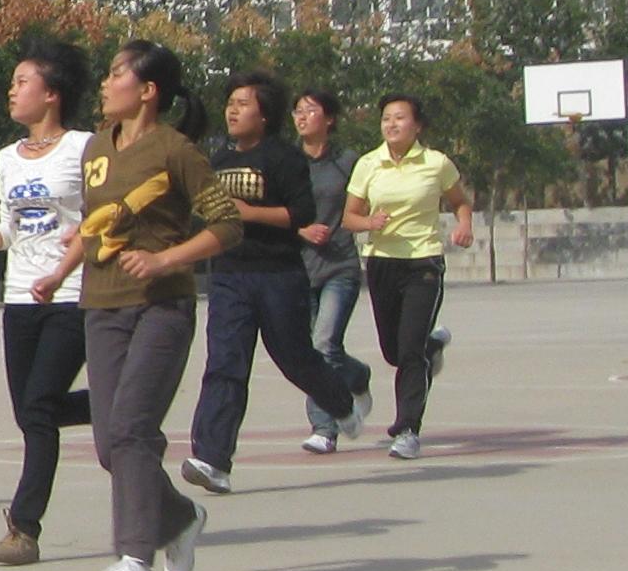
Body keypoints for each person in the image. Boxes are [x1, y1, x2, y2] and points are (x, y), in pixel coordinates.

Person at [30, 41, 242, 571]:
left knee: (131, 430)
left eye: (116, 73)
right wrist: (59, 273)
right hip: (101, 307)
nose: (105, 83)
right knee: (110, 445)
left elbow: (227, 224)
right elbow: (96, 224)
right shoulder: (97, 147)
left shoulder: (176, 150)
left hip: (160, 308)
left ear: (148, 91)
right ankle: (179, 517)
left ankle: (135, 560)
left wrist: (166, 259)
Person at [184, 72, 370, 494]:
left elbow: (301, 214)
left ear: (264, 114)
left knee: (295, 358)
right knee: (225, 364)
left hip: (278, 275)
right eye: (230, 103)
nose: (233, 111)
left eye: (243, 103)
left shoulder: (284, 158)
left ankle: (341, 403)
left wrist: (248, 213)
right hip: (229, 275)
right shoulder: (219, 160)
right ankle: (213, 459)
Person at [0, 42, 97, 564]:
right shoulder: (5, 159)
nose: (12, 91)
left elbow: (104, 212)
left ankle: (24, 527)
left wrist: (82, 240)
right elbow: (10, 227)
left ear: (52, 93)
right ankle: (113, 402)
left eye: (22, 82)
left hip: (72, 293)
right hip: (19, 296)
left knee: (39, 408)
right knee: (31, 412)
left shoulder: (84, 147)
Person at [345, 94, 474, 462]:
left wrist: (464, 225)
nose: (391, 124)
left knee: (409, 353)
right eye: (386, 118)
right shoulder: (368, 164)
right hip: (382, 263)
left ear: (417, 125)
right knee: (393, 351)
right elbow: (349, 217)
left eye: (400, 118)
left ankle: (407, 430)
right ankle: (432, 347)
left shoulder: (436, 163)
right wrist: (368, 222)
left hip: (423, 262)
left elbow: (460, 201)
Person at [295, 91, 370, 458]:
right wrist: (301, 230)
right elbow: (275, 210)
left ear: (329, 119)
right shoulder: (288, 161)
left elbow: (362, 205)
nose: (302, 116)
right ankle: (356, 376)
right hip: (299, 268)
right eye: (297, 110)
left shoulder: (348, 162)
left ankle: (324, 429)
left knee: (322, 345)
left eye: (310, 110)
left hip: (340, 266)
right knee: (314, 352)